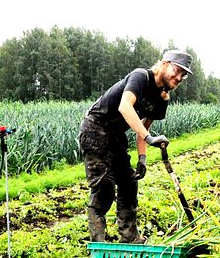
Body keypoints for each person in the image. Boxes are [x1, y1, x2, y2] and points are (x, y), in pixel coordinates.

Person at [79, 50, 193, 244]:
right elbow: (125, 107)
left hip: (115, 136)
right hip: (95, 129)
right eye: (177, 70)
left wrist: (142, 157)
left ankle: (130, 238)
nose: (179, 77)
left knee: (129, 183)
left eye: (183, 75)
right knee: (104, 187)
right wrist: (149, 138)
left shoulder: (162, 98)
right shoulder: (141, 76)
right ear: (164, 64)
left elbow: (144, 129)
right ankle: (98, 244)